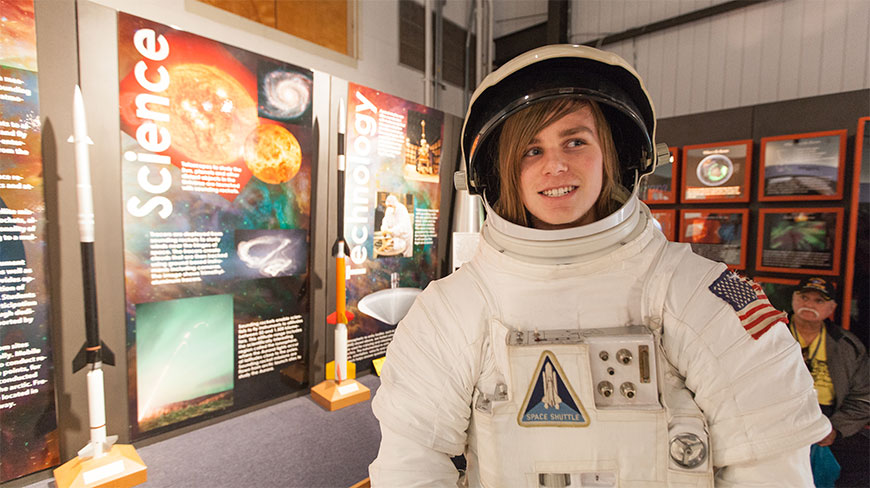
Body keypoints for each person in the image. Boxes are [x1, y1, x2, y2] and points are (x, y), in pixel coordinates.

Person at [369, 44, 830, 487]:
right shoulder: (453, 309)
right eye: (532, 150)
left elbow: (768, 468)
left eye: (575, 141)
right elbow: (412, 464)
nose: (555, 165)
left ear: (614, 155)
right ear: (503, 171)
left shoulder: (696, 294)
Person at [789, 277, 870, 486]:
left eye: (818, 301)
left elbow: (864, 397)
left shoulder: (847, 346)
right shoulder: (768, 334)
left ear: (831, 308)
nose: (809, 305)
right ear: (793, 300)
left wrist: (835, 430)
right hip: (779, 417)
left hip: (829, 418)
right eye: (804, 297)